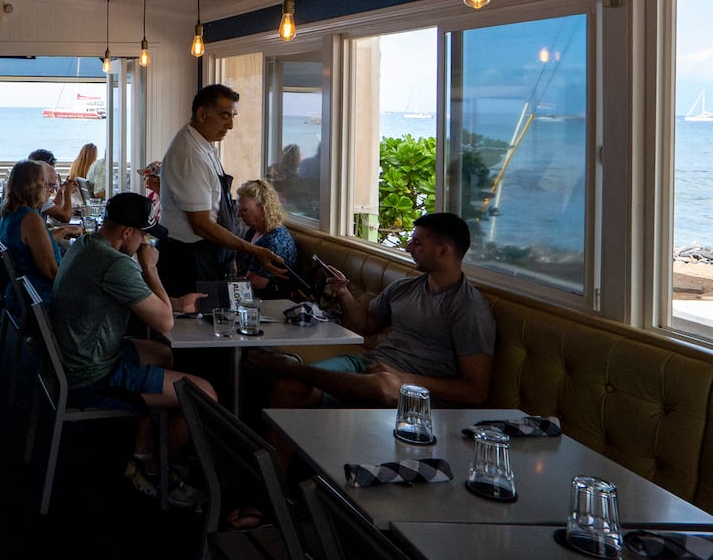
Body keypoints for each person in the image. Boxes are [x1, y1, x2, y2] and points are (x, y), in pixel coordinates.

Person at [49, 192, 210, 502]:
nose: (146, 245)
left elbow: (149, 305)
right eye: (144, 236)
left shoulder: (86, 245)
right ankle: (153, 469)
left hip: (77, 354)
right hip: (91, 374)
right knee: (204, 395)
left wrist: (177, 302)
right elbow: (164, 324)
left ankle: (142, 443)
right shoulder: (115, 265)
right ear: (126, 233)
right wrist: (151, 269)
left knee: (163, 354)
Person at [253, 212, 495, 409]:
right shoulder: (404, 288)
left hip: (413, 391)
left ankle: (290, 366)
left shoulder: (469, 307)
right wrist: (343, 292)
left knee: (383, 386)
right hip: (369, 365)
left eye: (417, 243)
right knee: (289, 389)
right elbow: (364, 325)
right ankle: (278, 469)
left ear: (443, 251)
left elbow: (475, 391)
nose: (409, 247)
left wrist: (404, 378)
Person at [156, 84, 287, 295]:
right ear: (201, 113)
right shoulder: (190, 154)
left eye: (233, 115)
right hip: (188, 260)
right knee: (193, 327)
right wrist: (254, 250)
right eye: (224, 115)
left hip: (209, 254)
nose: (231, 125)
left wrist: (229, 255)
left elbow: (217, 207)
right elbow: (201, 225)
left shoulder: (204, 144)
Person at [0, 159, 75, 307]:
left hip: (22, 292)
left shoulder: (10, 210)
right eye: (46, 184)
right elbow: (51, 272)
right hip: (38, 298)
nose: (49, 189)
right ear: (35, 186)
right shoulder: (30, 219)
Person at [235, 179, 299, 298]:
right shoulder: (255, 229)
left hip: (266, 301)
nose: (238, 214)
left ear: (263, 208)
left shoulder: (275, 241)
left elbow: (253, 285)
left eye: (244, 210)